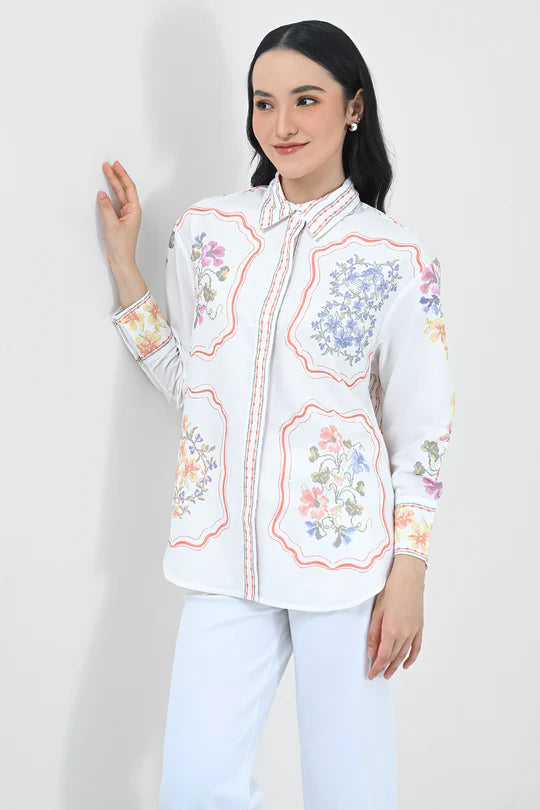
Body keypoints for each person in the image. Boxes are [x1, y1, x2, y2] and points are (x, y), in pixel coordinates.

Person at [97, 19, 456, 810]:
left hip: (347, 564)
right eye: (264, 102)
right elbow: (195, 387)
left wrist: (410, 570)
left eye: (306, 99)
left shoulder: (396, 257)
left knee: (350, 794)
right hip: (224, 560)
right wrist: (126, 271)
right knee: (194, 788)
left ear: (353, 107)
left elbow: (424, 428)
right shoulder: (208, 232)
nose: (282, 124)